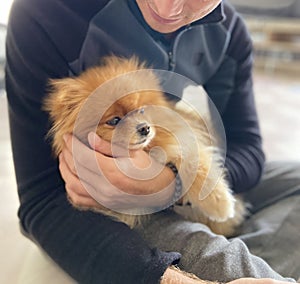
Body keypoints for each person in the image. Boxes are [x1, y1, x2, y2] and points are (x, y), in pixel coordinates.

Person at [5, 0, 300, 283]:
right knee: (231, 262)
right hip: (112, 212)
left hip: (171, 168)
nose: (166, 9)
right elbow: (41, 202)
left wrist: (173, 185)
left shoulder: (229, 33)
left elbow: (247, 148)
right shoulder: (47, 12)